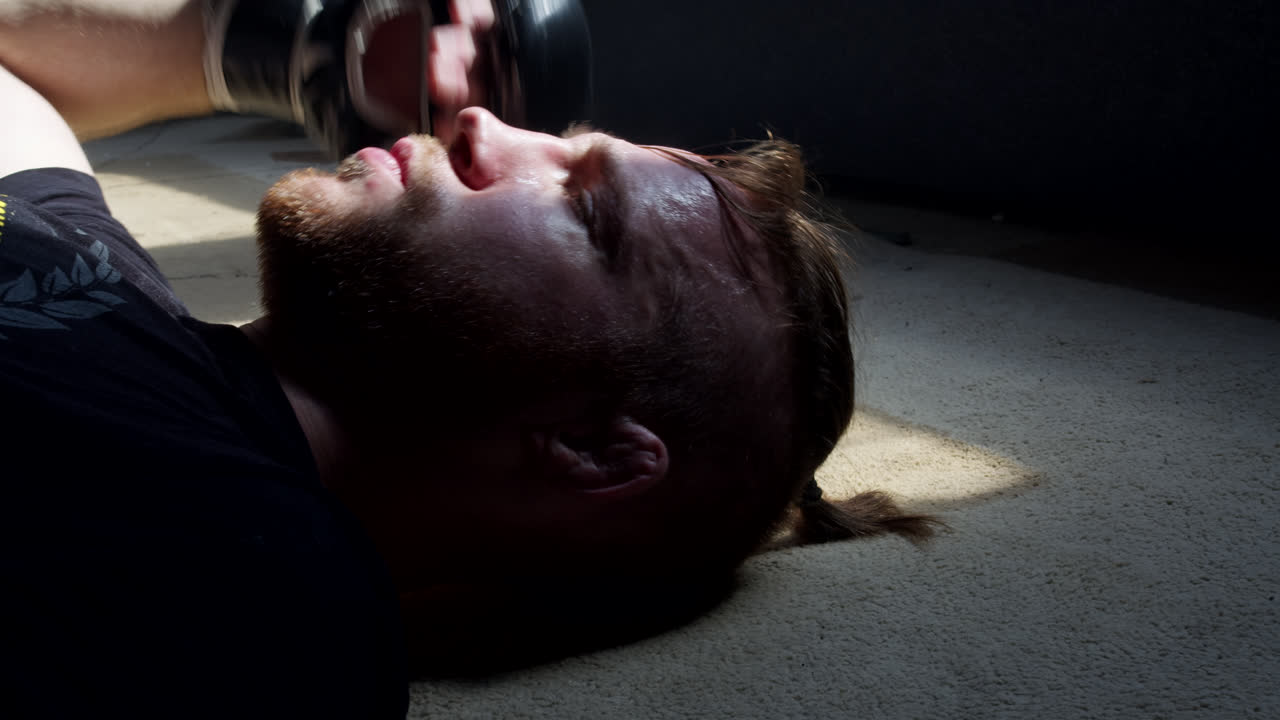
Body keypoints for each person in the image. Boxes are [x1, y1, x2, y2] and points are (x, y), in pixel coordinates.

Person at [0, 0, 938, 716]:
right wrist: (307, 48)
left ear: (592, 448)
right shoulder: (105, 281)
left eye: (582, 206)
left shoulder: (266, 599)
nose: (482, 124)